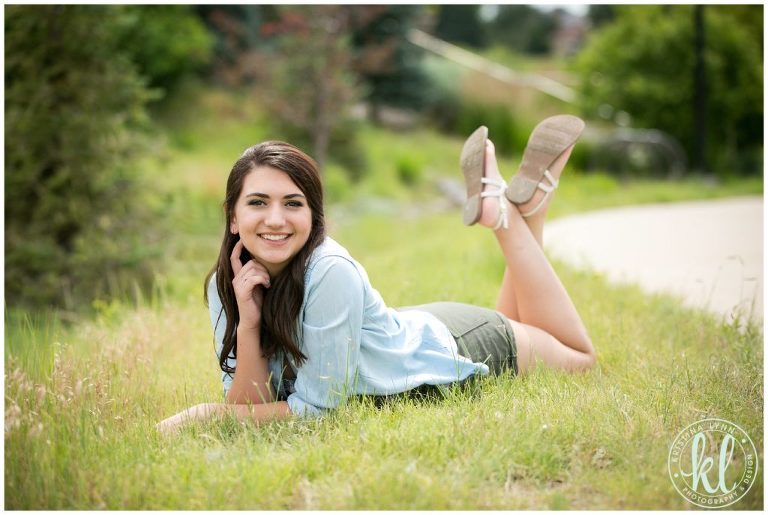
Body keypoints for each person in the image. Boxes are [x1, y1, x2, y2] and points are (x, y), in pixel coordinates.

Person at [156, 115, 596, 434]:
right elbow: (252, 406)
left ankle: (503, 217)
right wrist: (249, 324)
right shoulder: (225, 285)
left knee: (581, 359)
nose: (275, 219)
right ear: (232, 218)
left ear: (314, 216)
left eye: (293, 203)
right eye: (257, 202)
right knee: (534, 328)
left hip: (455, 344)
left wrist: (205, 415)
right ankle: (527, 207)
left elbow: (317, 413)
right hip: (407, 335)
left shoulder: (329, 272)